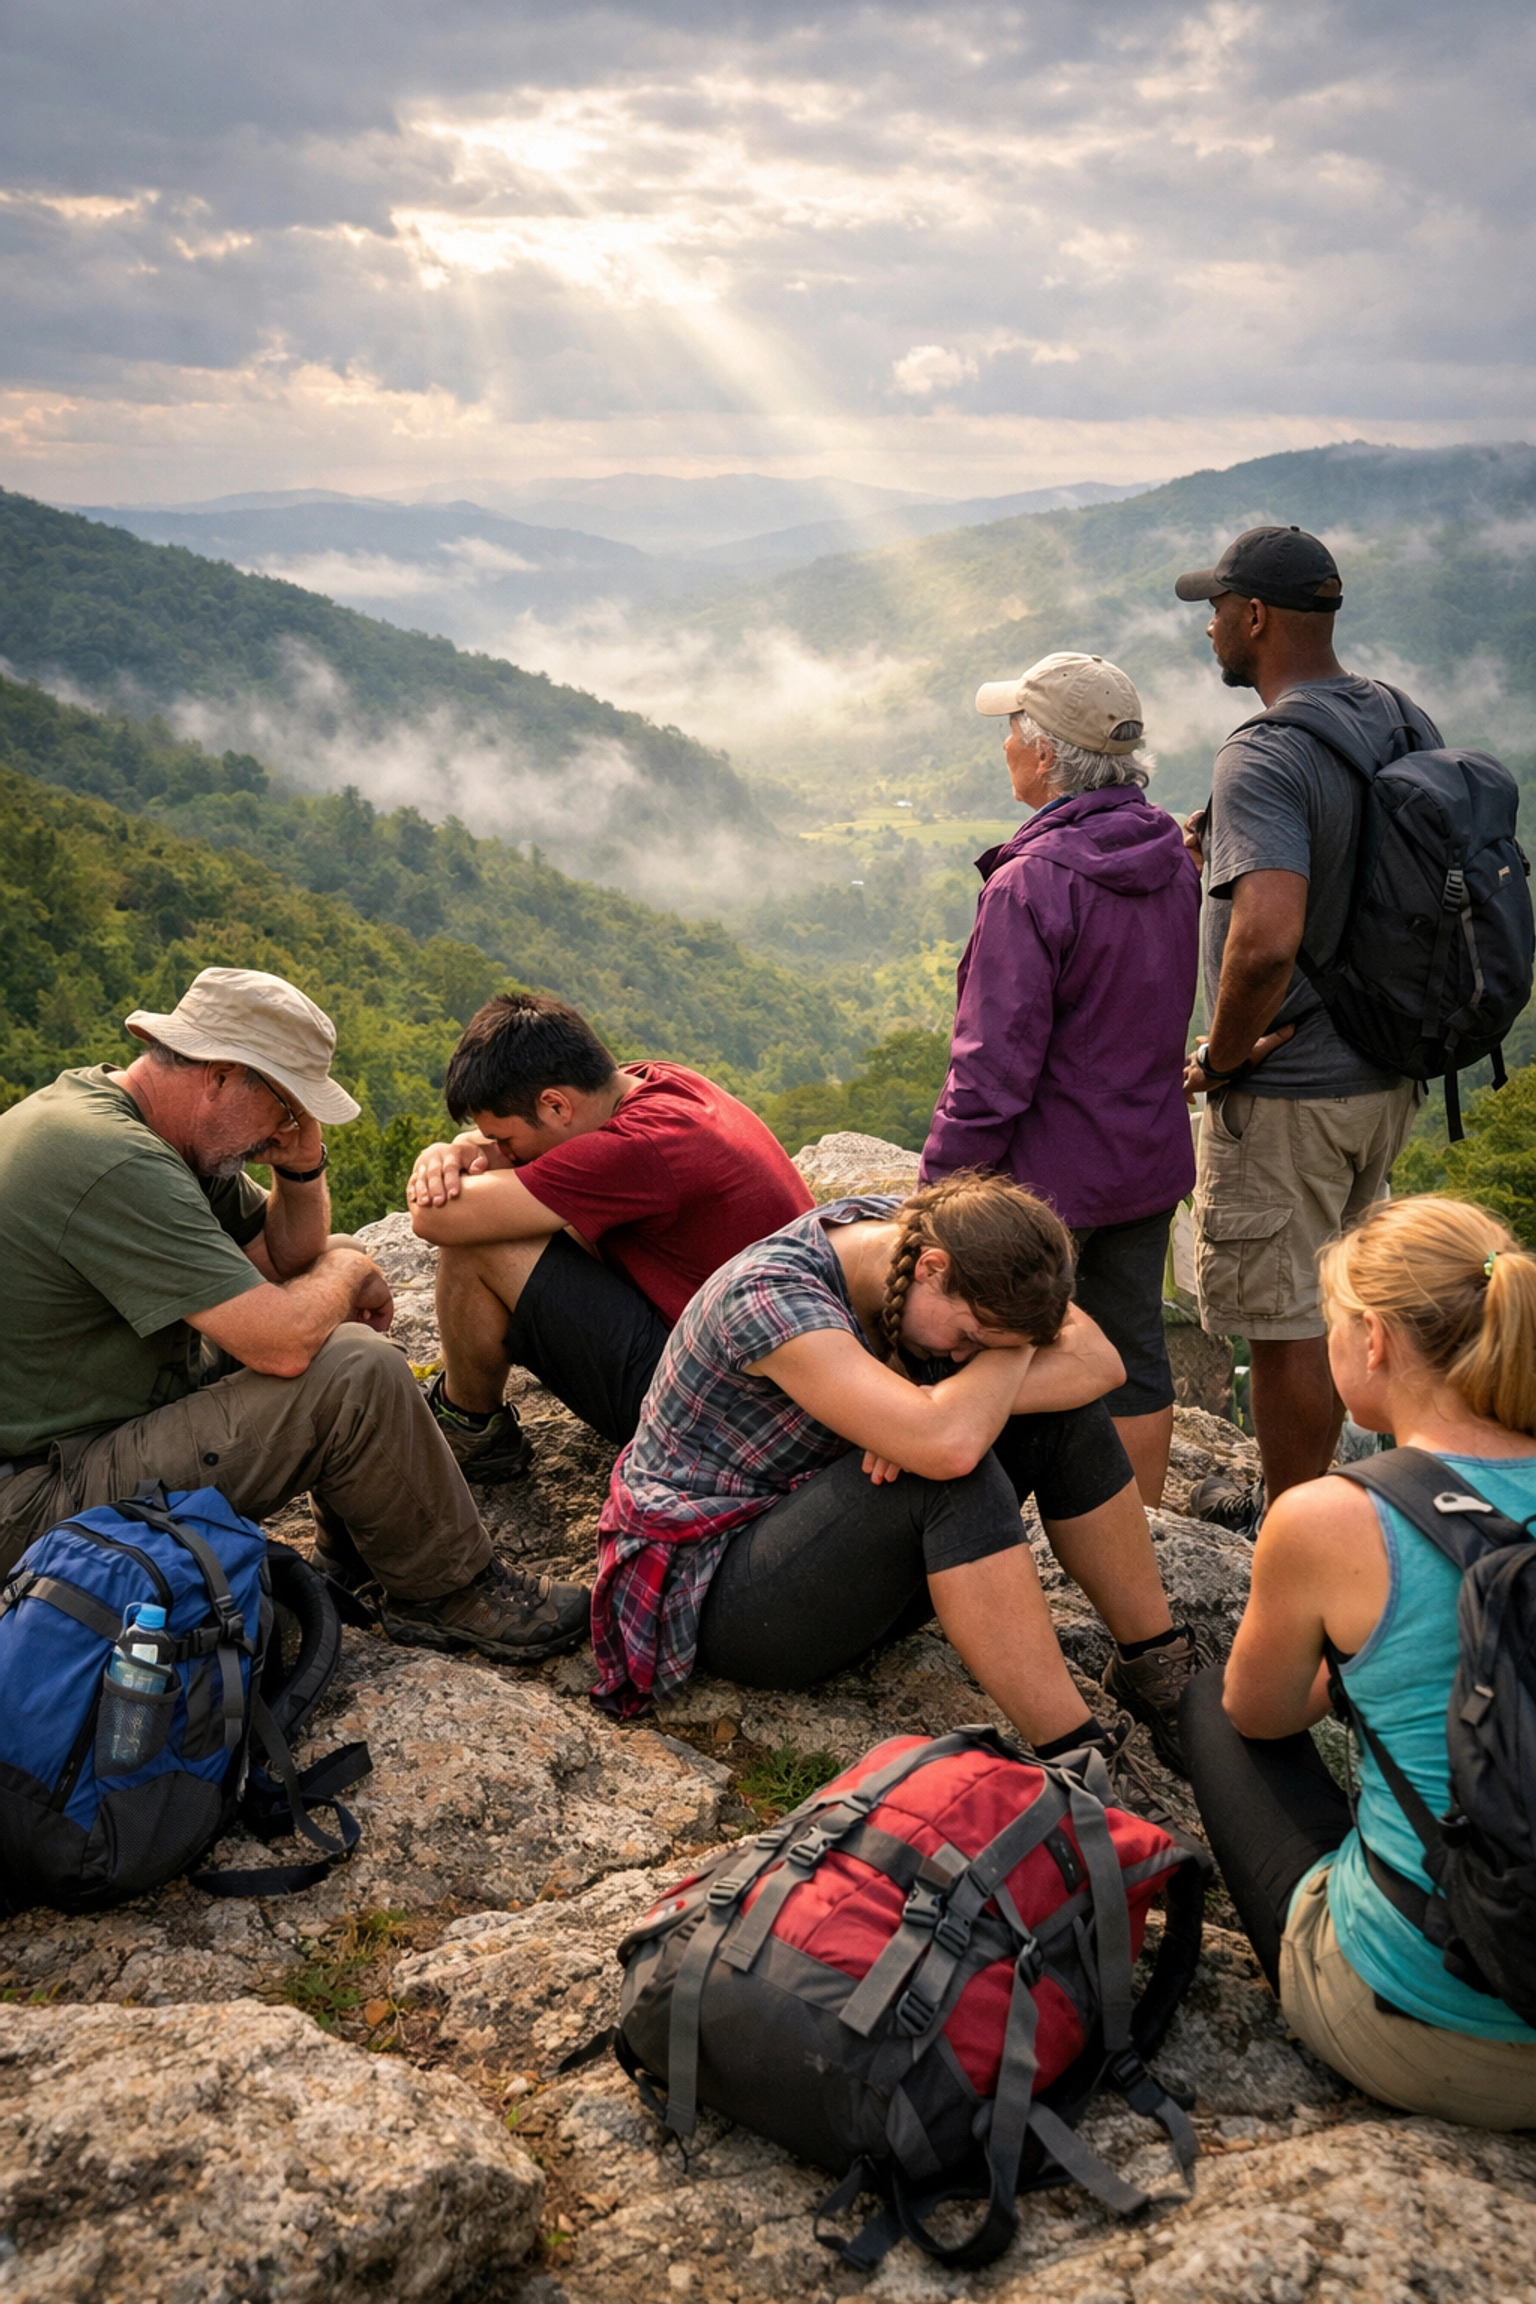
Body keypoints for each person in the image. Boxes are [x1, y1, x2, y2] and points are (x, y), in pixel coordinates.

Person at [0, 967, 587, 1664]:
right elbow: (281, 1341)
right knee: (353, 1370)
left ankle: (357, 1550)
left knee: (328, 1305)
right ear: (221, 1076)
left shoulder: (127, 1121)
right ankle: (449, 1593)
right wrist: (349, 1270)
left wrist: (301, 1170)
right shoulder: (110, 1160)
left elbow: (285, 1261)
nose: (286, 1126)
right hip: (37, 1502)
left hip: (81, 1436)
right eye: (283, 1105)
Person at [592, 1171, 1201, 1777]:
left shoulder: (928, 1237)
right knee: (948, 1474)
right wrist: (956, 1402)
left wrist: (945, 1398)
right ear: (932, 1268)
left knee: (1061, 1416)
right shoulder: (771, 1298)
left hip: (830, 1538)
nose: (964, 1354)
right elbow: (949, 1450)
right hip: (721, 1591)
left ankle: (1153, 1663)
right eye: (968, 1336)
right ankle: (1079, 1759)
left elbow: (1100, 1362)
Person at [1180, 1195, 1536, 2126]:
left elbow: (1257, 1714)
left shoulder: (1330, 1517)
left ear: (1372, 1341)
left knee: (1204, 1701)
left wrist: (1357, 1666)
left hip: (1434, 2032)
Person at [1174, 526, 1442, 1533]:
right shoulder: (1394, 715)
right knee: (1350, 1302)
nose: (1208, 629)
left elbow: (1265, 940)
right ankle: (1370, 1503)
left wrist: (1224, 1054)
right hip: (1386, 1067)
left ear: (1255, 618)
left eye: (1215, 610)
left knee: (1287, 1329)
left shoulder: (1266, 751)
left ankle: (1298, 1534)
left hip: (1293, 1092)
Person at [921, 652, 1199, 1507]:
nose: (1004, 744)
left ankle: (1000, 1541)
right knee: (1134, 1350)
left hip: (1046, 1186)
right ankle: (1146, 1539)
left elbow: (990, 1072)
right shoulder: (1170, 854)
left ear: (1045, 755)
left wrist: (935, 1193)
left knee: (997, 1347)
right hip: (1146, 1161)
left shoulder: (1032, 883)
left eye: (1012, 729)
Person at [406, 993, 813, 1477]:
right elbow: (506, 1158)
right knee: (525, 1211)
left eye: (505, 1139)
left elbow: (437, 1218)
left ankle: (470, 1429)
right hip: (778, 1378)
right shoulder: (655, 1081)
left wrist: (436, 1162)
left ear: (556, 1105)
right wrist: (453, 1148)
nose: (502, 1151)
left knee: (480, 1243)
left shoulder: (636, 1149)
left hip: (724, 1421)